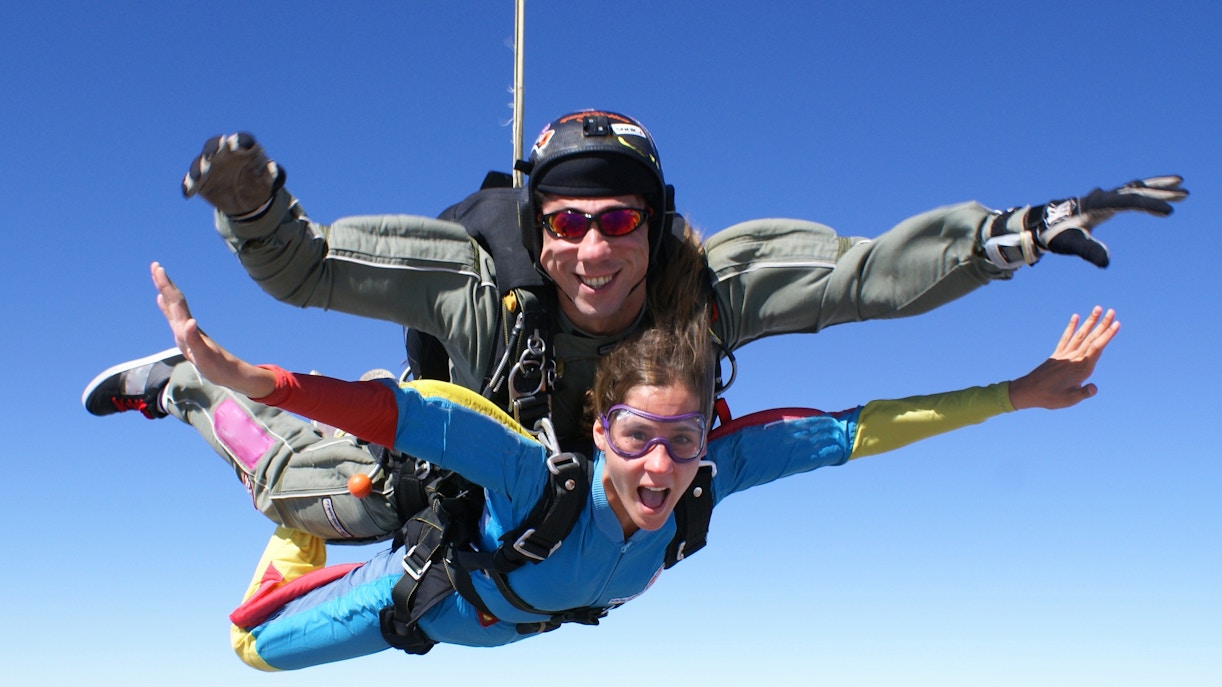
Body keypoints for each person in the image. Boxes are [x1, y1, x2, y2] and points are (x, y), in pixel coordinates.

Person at [83, 110, 1184, 544]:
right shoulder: (478, 289)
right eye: (566, 223)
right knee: (318, 503)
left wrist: (1010, 236)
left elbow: (862, 280)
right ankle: (186, 395)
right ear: (539, 228)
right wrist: (255, 209)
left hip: (594, 488)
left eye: (619, 220)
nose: (592, 250)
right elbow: (311, 271)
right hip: (466, 463)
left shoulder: (704, 291)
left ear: (653, 226)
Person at [152, 258, 1119, 670]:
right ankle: (215, 416)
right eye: (635, 439)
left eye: (684, 440)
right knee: (250, 651)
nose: (660, 466)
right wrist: (261, 377)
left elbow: (858, 429)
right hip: (424, 599)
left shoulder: (708, 482)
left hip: (493, 627)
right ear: (598, 431)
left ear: (708, 437)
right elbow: (422, 416)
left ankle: (290, 489)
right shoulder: (543, 481)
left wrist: (1015, 394)